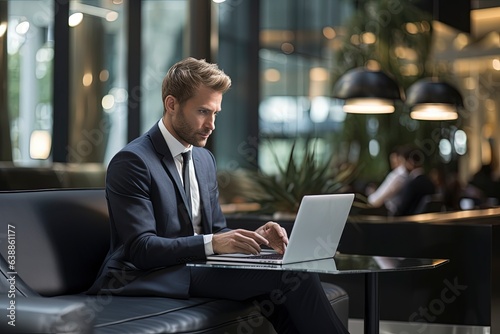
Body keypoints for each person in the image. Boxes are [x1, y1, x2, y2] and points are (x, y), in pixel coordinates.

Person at [87, 57, 349, 334]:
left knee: (285, 281)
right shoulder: (133, 161)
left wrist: (255, 239)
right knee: (292, 277)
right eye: (202, 111)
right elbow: (141, 249)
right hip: (146, 274)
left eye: (215, 113)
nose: (211, 124)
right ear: (171, 104)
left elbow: (216, 231)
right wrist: (215, 242)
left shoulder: (203, 159)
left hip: (195, 267)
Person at [392, 146, 436, 216]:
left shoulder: (412, 185)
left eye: (403, 162)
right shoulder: (431, 184)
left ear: (410, 162)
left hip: (409, 225)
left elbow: (401, 210)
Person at [366, 146, 408, 215]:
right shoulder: (406, 174)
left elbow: (377, 200)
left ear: (400, 158)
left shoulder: (399, 174)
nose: (392, 161)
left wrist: (369, 198)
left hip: (390, 213)